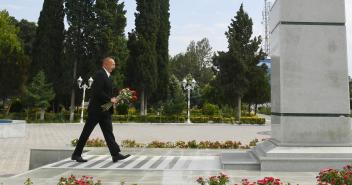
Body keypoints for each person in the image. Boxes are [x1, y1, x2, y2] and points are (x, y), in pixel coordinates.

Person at [71, 57, 130, 163]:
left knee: (108, 133)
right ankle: (76, 154)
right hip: (96, 111)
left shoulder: (108, 76)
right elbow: (97, 91)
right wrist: (110, 99)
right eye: (113, 64)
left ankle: (115, 154)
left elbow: (106, 92)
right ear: (106, 64)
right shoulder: (100, 74)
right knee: (86, 132)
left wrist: (117, 97)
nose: (114, 67)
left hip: (105, 110)